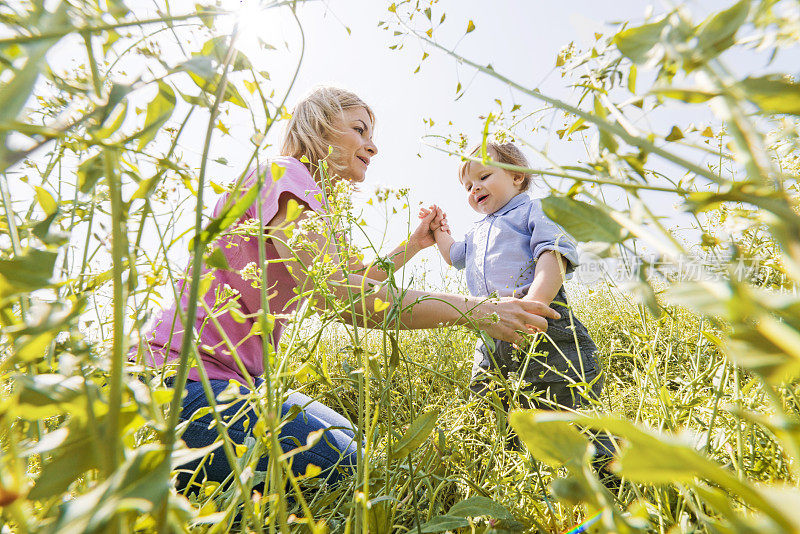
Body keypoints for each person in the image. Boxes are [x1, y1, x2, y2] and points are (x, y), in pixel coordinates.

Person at [132, 88, 561, 494]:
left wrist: (415, 243)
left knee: (350, 444)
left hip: (237, 382)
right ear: (317, 126)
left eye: (371, 135)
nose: (372, 146)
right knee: (355, 474)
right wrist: (479, 311)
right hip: (185, 383)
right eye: (359, 130)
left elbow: (354, 277)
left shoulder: (310, 199)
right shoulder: (287, 175)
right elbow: (339, 295)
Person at [420, 141, 617, 481]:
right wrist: (439, 231)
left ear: (517, 176)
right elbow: (454, 256)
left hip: (542, 319)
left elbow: (552, 252)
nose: (475, 188)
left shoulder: (533, 210)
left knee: (566, 397)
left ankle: (605, 478)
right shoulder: (476, 231)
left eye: (483, 175)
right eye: (468, 186)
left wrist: (535, 307)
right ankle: (512, 472)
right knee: (490, 400)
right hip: (490, 326)